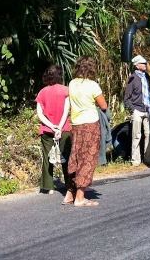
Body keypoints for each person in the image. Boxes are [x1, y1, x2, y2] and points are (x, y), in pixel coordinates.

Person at [64, 56, 108, 207]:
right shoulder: (93, 85)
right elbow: (103, 105)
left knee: (75, 157)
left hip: (75, 124)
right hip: (90, 124)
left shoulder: (72, 83)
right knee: (88, 158)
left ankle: (69, 194)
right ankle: (80, 197)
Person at [35, 65, 72, 194]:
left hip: (46, 130)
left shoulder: (42, 92)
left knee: (47, 158)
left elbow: (39, 114)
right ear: (60, 76)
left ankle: (48, 187)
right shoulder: (66, 90)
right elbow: (66, 110)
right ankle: (69, 184)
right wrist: (59, 127)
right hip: (64, 128)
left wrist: (51, 126)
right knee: (66, 156)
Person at [123, 55, 150, 166]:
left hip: (147, 109)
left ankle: (149, 159)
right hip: (137, 110)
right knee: (136, 135)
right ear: (137, 65)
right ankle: (135, 160)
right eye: (142, 63)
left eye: (145, 63)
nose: (145, 65)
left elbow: (149, 91)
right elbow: (126, 98)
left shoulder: (147, 77)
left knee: (149, 134)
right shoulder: (132, 78)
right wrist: (133, 110)